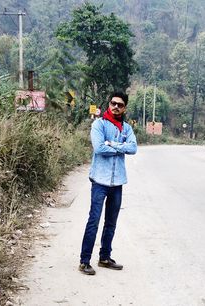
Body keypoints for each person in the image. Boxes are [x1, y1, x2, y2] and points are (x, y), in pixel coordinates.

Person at [79, 91, 137, 275]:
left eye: (120, 104)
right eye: (113, 103)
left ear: (124, 108)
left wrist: (112, 144)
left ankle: (104, 257)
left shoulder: (127, 128)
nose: (116, 107)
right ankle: (84, 261)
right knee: (94, 221)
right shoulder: (99, 124)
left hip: (117, 182)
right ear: (109, 104)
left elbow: (133, 148)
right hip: (100, 181)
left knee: (111, 222)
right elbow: (99, 148)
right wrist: (120, 148)